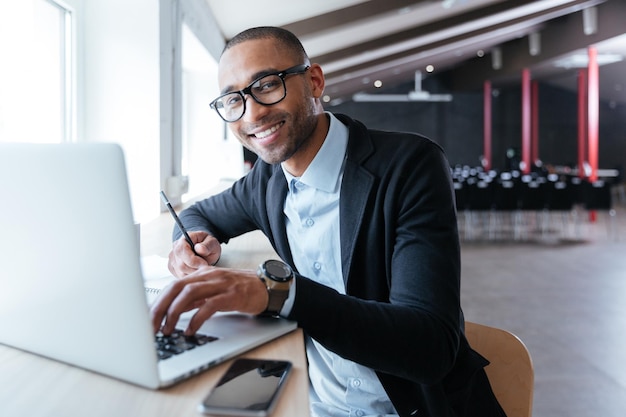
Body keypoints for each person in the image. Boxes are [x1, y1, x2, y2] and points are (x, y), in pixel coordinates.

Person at [150, 26, 506, 417]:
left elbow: (430, 348)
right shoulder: (267, 180)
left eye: (267, 85)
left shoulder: (410, 166)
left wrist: (278, 293)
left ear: (314, 81)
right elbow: (198, 214)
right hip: (313, 404)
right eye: (233, 100)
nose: (252, 113)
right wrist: (191, 242)